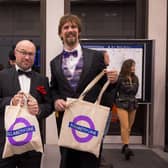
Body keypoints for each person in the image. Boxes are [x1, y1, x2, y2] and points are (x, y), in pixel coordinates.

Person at [50, 13, 118, 168]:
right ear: (61, 33)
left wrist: (113, 81)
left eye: (73, 26)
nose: (70, 30)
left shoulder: (96, 57)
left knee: (90, 162)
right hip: (66, 122)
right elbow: (54, 88)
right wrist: (56, 100)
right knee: (67, 162)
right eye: (65, 27)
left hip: (90, 122)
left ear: (79, 31)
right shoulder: (54, 63)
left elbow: (105, 86)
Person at [0, 40, 53, 168]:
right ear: (15, 53)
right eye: (23, 53)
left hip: (32, 144)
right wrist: (10, 101)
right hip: (6, 142)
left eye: (31, 54)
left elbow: (49, 105)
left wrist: (39, 109)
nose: (27, 57)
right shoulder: (1, 76)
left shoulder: (42, 79)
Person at [115, 59, 139, 160]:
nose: (133, 68)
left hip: (133, 104)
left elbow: (135, 90)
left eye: (134, 66)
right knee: (124, 126)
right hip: (122, 104)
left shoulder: (135, 78)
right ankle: (127, 146)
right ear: (127, 67)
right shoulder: (120, 78)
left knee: (129, 127)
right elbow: (115, 91)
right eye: (132, 66)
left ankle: (124, 146)